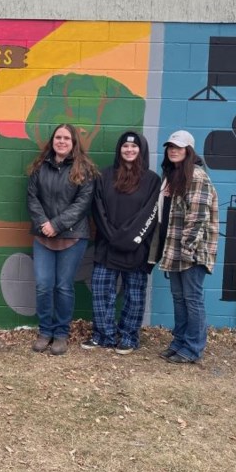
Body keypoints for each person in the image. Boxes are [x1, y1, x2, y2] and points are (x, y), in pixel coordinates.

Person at [83, 131, 161, 354]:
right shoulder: (104, 176)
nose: (129, 150)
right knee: (100, 290)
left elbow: (151, 214)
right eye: (125, 147)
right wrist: (113, 236)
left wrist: (131, 238)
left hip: (137, 248)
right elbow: (98, 209)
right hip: (107, 246)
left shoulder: (152, 180)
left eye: (134, 147)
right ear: (119, 150)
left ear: (141, 150)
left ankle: (128, 337)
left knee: (134, 296)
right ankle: (103, 335)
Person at [148, 130, 219, 364]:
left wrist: (187, 250)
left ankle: (193, 347)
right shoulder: (172, 176)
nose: (173, 150)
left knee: (192, 298)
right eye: (170, 147)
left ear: (189, 150)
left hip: (192, 252)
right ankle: (179, 342)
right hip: (175, 249)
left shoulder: (196, 176)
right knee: (179, 298)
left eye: (178, 147)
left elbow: (198, 217)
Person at [26, 124, 97, 356]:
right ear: (52, 140)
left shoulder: (84, 169)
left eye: (67, 138)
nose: (62, 141)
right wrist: (44, 224)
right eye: (58, 137)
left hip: (73, 236)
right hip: (43, 235)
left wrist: (56, 225)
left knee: (63, 286)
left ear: (74, 142)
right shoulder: (40, 166)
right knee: (44, 285)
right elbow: (32, 197)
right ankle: (45, 331)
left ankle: (61, 333)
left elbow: (82, 205)